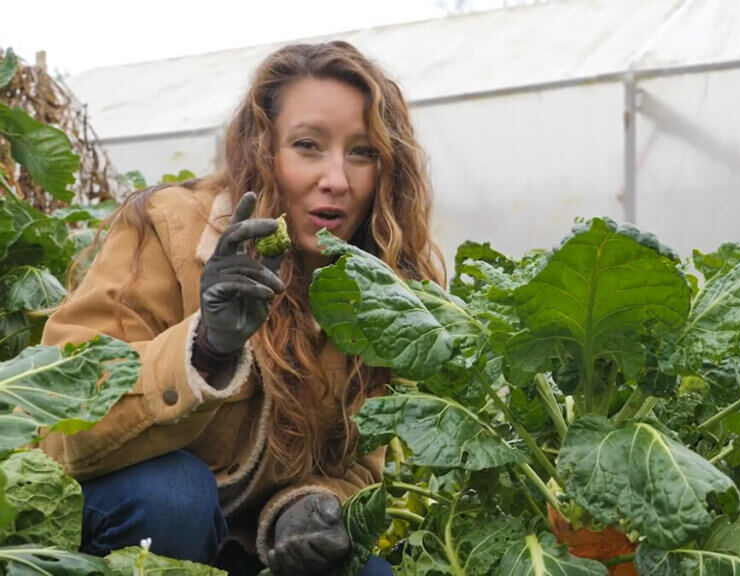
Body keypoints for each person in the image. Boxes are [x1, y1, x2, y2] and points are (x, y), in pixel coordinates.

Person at [38, 41, 443, 575]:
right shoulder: (170, 230)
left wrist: (310, 507)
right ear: (264, 152)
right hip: (138, 520)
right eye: (308, 145)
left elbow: (363, 464)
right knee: (176, 496)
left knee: (366, 569)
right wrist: (205, 348)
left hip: (248, 546)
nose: (337, 179)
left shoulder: (377, 288)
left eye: (362, 152)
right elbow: (58, 421)